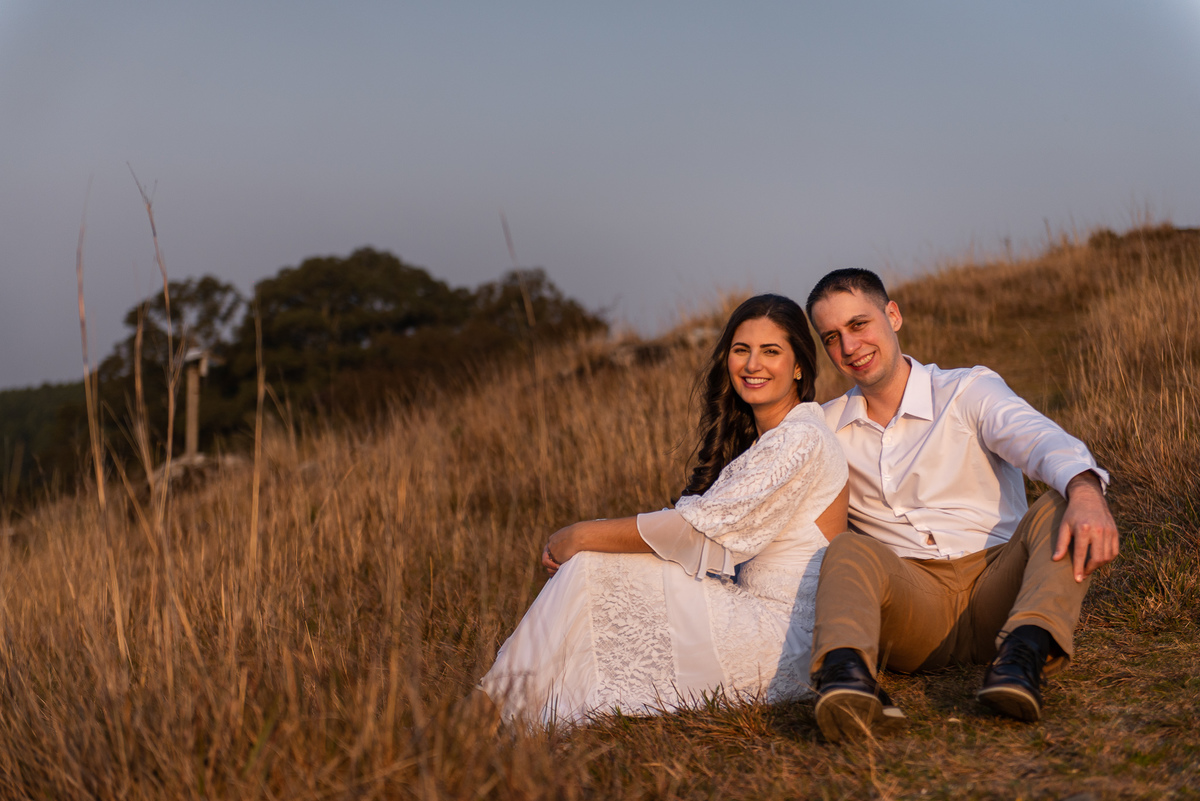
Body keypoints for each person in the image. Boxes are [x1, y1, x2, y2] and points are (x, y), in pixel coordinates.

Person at [478, 294, 849, 726]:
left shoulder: (800, 439)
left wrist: (580, 535)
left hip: (784, 640)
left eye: (771, 352)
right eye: (741, 350)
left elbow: (698, 534)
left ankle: (484, 715)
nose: (752, 365)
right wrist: (593, 541)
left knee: (590, 566)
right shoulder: (772, 438)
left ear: (799, 366)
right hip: (757, 618)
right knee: (595, 567)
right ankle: (501, 710)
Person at [803, 268, 1119, 743]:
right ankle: (847, 680)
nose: (849, 347)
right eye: (832, 337)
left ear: (893, 315)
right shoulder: (825, 428)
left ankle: (1022, 657)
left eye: (859, 324)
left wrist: (1086, 490)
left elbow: (1039, 440)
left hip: (999, 585)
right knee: (848, 549)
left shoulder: (966, 390)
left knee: (1063, 499)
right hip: (915, 608)